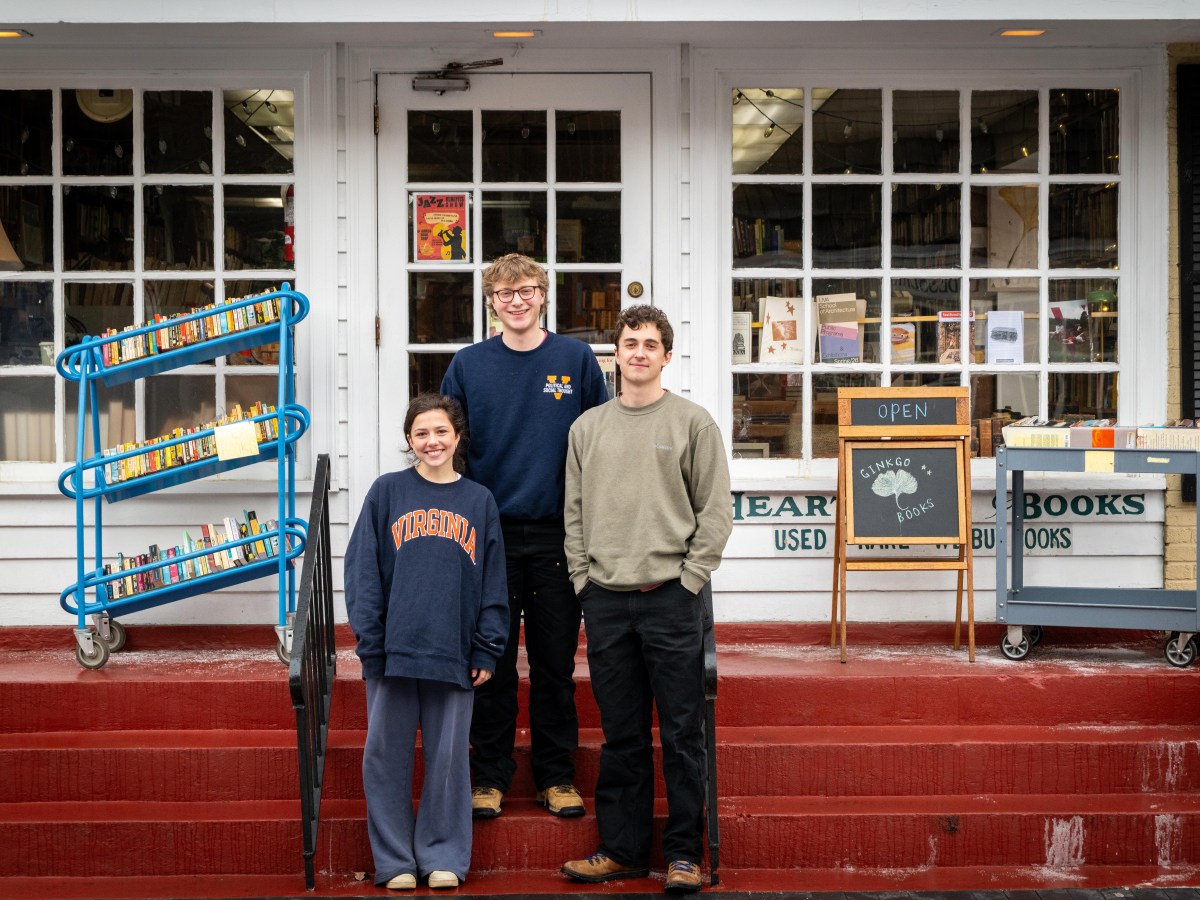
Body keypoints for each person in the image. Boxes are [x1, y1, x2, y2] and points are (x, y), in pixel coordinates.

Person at [560, 305, 733, 894]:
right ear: (616, 352)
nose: (638, 352)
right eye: (629, 342)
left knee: (682, 732)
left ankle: (685, 855)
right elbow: (574, 514)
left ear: (666, 355)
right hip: (605, 601)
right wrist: (583, 581)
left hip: (671, 599)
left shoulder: (693, 423)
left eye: (650, 344)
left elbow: (715, 513)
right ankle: (623, 850)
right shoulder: (587, 428)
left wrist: (690, 580)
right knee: (622, 735)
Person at [440, 253, 609, 820]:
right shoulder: (467, 365)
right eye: (505, 293)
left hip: (560, 535)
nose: (517, 300)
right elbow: (448, 447)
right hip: (487, 537)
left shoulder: (575, 358)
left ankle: (555, 776)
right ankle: (488, 777)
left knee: (555, 664)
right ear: (491, 303)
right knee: (493, 661)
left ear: (543, 296)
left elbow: (601, 440)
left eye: (527, 290)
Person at [344, 393, 508, 891]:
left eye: (440, 431)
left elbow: (494, 583)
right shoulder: (387, 492)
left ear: (458, 437)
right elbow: (362, 572)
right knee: (385, 757)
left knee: (449, 760)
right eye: (421, 433)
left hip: (454, 652)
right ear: (409, 440)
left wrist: (487, 646)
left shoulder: (478, 500)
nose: (431, 441)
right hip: (393, 651)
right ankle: (394, 860)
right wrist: (370, 641)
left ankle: (443, 855)